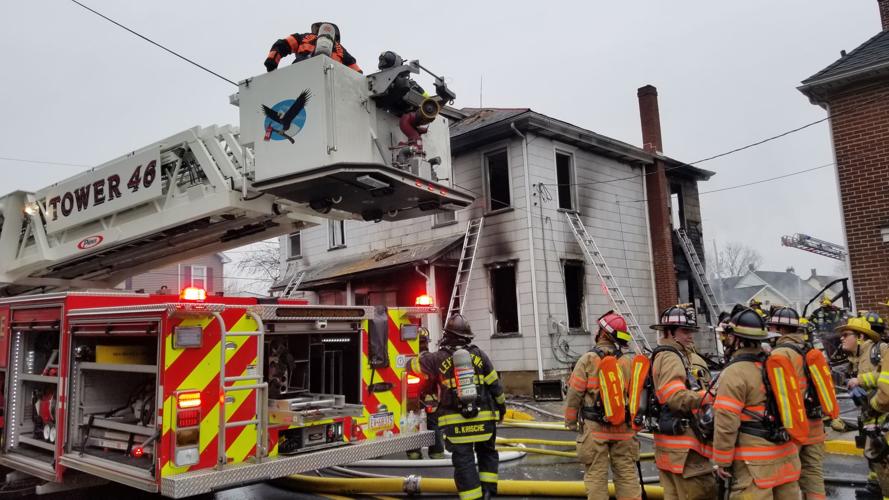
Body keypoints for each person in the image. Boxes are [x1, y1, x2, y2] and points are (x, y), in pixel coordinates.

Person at [411, 314, 505, 500]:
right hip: (485, 418)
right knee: (487, 454)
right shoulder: (479, 355)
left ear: (447, 336)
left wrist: (422, 349)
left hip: (456, 422)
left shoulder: (437, 358)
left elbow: (412, 366)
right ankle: (488, 492)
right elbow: (496, 386)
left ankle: (472, 497)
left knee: (464, 461)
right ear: (467, 337)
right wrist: (501, 408)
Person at [713, 307, 801, 499]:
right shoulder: (775, 365)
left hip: (754, 465)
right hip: (787, 456)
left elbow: (726, 421)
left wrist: (722, 459)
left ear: (736, 339)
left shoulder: (735, 372)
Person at [564, 311, 642, 500]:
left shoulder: (588, 360)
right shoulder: (627, 361)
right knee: (627, 476)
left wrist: (570, 421)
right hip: (623, 429)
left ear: (603, 333)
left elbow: (574, 393)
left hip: (595, 429)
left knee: (597, 478)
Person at [649, 304, 716, 499]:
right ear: (670, 332)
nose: (690, 336)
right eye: (685, 331)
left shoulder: (663, 355)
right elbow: (674, 397)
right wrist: (707, 396)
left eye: (691, 331)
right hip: (684, 449)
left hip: (669, 448)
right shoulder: (671, 357)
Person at [767, 306, 827, 500]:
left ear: (780, 329)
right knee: (814, 476)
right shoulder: (811, 350)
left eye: (773, 327)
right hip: (816, 425)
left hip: (794, 427)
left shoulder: (780, 354)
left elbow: (780, 396)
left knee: (789, 479)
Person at [838, 316, 889, 498]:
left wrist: (859, 380)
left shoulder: (880, 350)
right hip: (872, 421)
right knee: (875, 462)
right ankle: (875, 486)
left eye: (846, 334)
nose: (841, 338)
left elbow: (885, 380)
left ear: (860, 336)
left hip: (884, 420)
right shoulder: (856, 359)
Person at [264, 21, 362, 73]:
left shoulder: (303, 37)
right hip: (331, 78)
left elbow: (282, 45)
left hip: (299, 72)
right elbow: (356, 72)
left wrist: (272, 60)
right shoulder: (340, 49)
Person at [406, 328, 444, 460]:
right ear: (427, 343)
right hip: (431, 397)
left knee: (413, 422)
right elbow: (440, 378)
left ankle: (414, 452)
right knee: (434, 424)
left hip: (414, 398)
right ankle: (437, 452)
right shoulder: (434, 358)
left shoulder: (410, 361)